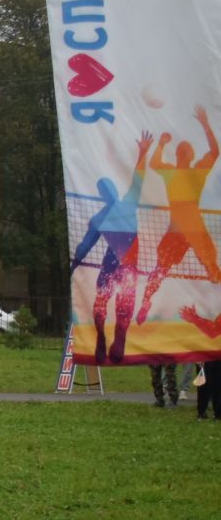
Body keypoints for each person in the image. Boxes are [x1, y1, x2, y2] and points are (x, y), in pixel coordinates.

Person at [70, 133, 152, 365]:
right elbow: (85, 245)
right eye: (104, 189)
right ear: (103, 195)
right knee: (101, 303)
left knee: (123, 306)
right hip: (115, 263)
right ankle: (101, 339)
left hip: (126, 266)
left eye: (109, 188)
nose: (108, 192)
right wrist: (75, 263)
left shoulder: (125, 205)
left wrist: (143, 153)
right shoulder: (101, 218)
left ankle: (119, 341)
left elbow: (138, 180)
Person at [136, 105, 220, 324]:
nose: (184, 151)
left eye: (185, 149)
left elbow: (214, 153)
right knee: (165, 270)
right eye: (182, 150)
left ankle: (146, 300)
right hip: (187, 228)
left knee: (207, 269)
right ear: (183, 155)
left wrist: (204, 124)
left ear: (188, 155)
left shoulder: (190, 171)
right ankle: (145, 302)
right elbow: (155, 163)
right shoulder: (179, 172)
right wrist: (162, 144)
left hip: (187, 227)